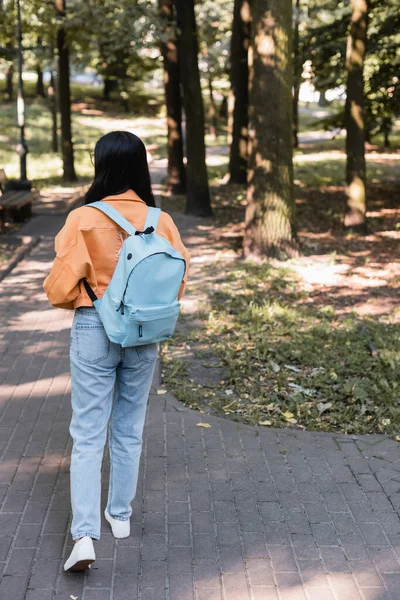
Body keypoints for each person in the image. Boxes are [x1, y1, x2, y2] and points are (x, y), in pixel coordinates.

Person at [43, 131, 190, 572]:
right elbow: (178, 277)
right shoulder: (160, 220)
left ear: (100, 164)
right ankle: (119, 515)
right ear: (142, 167)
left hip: (94, 328)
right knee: (130, 428)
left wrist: (85, 297)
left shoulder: (82, 218)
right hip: (144, 331)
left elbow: (58, 289)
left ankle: (84, 533)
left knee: (87, 434)